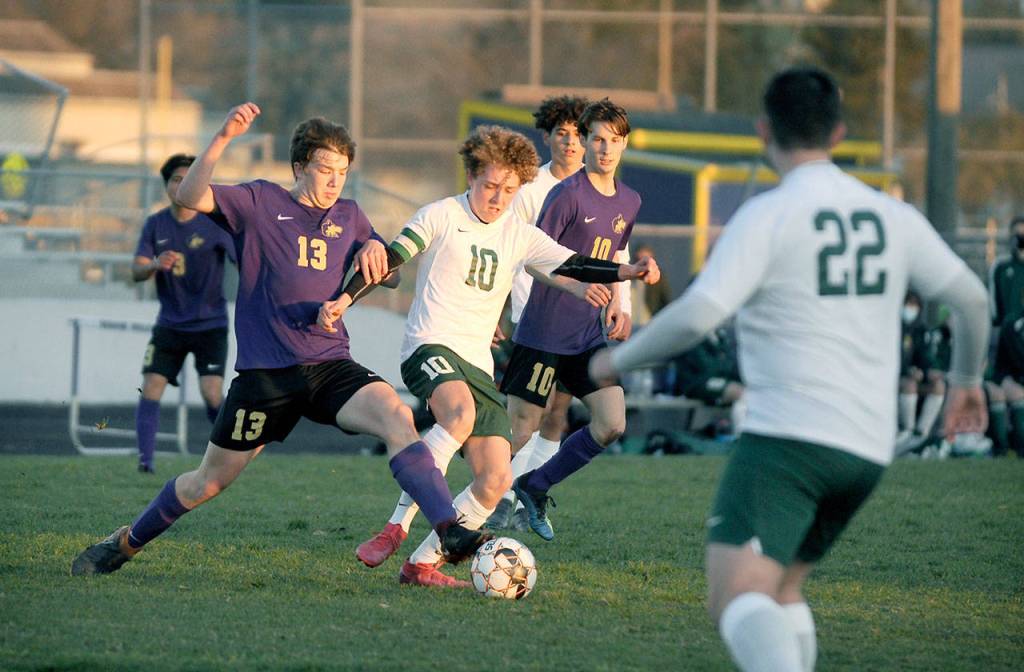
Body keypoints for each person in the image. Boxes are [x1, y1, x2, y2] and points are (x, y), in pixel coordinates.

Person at [588, 67, 988, 672]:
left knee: (735, 594)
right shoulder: (890, 215)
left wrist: (615, 359)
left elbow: (698, 314)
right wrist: (965, 384)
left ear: (762, 130)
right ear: (839, 132)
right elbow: (973, 301)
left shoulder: (768, 214)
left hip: (789, 442)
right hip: (867, 449)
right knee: (780, 588)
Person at [71, 103, 485, 577]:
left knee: (396, 415)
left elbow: (386, 277)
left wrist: (376, 249)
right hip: (266, 377)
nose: (334, 181)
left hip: (329, 363)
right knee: (207, 483)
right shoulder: (259, 201)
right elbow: (188, 196)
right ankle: (126, 542)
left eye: (342, 172)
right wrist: (224, 136)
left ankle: (448, 530)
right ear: (298, 167)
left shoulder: (349, 215)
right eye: (324, 169)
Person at [327, 124, 659, 586]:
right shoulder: (440, 214)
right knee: (458, 415)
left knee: (496, 479)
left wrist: (630, 269)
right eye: (490, 186)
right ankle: (394, 528)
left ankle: (422, 564)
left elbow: (574, 262)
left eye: (509, 189)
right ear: (471, 176)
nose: (499, 197)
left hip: (478, 363)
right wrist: (344, 300)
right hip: (429, 345)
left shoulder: (518, 234)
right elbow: (395, 256)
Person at [504, 98, 649, 543]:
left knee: (611, 423)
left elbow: (613, 256)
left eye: (613, 141)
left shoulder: (630, 199)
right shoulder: (565, 195)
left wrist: (620, 296)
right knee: (519, 431)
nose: (604, 149)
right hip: (544, 331)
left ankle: (535, 485)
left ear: (625, 145)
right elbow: (532, 259)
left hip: (588, 335)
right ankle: (463, 510)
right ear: (586, 143)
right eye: (597, 140)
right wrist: (577, 287)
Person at [485, 94, 620, 532]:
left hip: (584, 324)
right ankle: (493, 496)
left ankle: (527, 495)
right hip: (536, 318)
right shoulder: (532, 191)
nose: (572, 142)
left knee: (563, 414)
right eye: (561, 133)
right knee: (527, 419)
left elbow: (614, 253)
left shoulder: (613, 194)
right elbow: (516, 253)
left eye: (578, 134)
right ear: (547, 138)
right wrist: (495, 312)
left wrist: (621, 301)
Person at [131, 153, 236, 473]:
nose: (181, 185)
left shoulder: (213, 223)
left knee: (211, 392)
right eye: (176, 179)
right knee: (151, 385)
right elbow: (136, 271)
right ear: (166, 186)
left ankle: (231, 458)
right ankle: (145, 462)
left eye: (187, 179)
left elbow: (243, 259)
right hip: (170, 324)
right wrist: (152, 264)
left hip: (210, 323)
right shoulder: (156, 224)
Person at [987, 215, 1024, 457]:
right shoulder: (1001, 267)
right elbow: (993, 309)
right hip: (1006, 340)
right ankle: (1005, 446)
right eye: (1017, 235)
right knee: (1003, 389)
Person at [894, 292, 945, 453]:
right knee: (909, 384)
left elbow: (924, 356)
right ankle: (907, 432)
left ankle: (922, 433)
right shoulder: (893, 327)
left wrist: (928, 371)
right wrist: (907, 371)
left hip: (914, 378)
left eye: (915, 305)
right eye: (908, 304)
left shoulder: (920, 329)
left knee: (938, 386)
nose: (911, 308)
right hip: (893, 379)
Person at [630, 242, 672, 327]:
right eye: (640, 255)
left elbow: (665, 300)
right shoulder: (628, 276)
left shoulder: (658, 277)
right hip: (629, 322)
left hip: (648, 322)